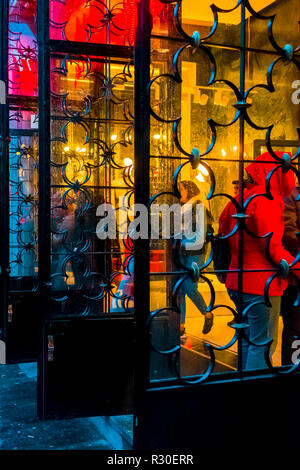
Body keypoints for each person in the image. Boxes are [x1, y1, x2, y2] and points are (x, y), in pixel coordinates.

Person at [219, 152, 300, 370]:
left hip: (237, 279)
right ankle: (256, 396)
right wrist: (298, 268)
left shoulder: (240, 198)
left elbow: (223, 232)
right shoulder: (266, 201)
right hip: (261, 285)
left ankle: (244, 388)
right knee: (262, 344)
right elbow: (272, 247)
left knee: (247, 341)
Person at [178, 180, 214, 344]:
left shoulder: (198, 207)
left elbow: (200, 234)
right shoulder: (182, 208)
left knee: (190, 287)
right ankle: (181, 326)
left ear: (190, 191)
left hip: (195, 252)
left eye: (182, 190)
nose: (180, 194)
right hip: (181, 252)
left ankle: (207, 313)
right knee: (179, 290)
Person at [281, 183, 300, 364]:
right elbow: (289, 234)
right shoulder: (292, 195)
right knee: (295, 329)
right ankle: (293, 369)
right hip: (296, 278)